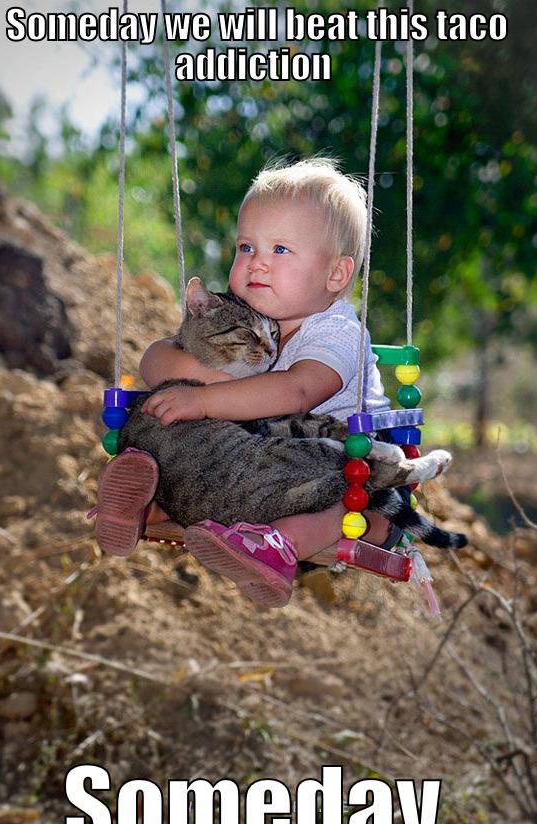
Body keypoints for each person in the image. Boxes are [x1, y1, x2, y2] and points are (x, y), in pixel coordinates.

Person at [97, 157, 399, 606]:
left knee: (347, 506)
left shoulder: (337, 332)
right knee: (179, 433)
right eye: (245, 247)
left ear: (335, 274)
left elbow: (297, 391)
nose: (256, 264)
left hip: (353, 463)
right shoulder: (252, 316)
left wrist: (205, 400)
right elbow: (157, 357)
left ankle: (277, 547)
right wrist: (202, 378)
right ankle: (146, 502)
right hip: (266, 464)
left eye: (280, 250)